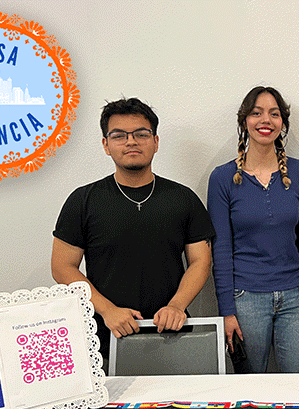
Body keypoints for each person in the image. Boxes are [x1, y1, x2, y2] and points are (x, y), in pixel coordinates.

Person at [52, 97, 215, 362]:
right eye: (119, 135)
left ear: (156, 141)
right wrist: (107, 311)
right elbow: (62, 267)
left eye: (141, 134)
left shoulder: (183, 198)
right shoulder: (83, 200)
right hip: (104, 336)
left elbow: (201, 261)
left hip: (172, 331)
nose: (131, 141)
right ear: (106, 144)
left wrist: (177, 305)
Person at [207, 86, 299, 373]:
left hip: (297, 296)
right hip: (245, 299)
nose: (266, 120)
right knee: (249, 386)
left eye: (274, 114)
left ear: (282, 123)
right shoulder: (222, 178)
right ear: (244, 121)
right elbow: (221, 248)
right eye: (256, 113)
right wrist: (226, 311)